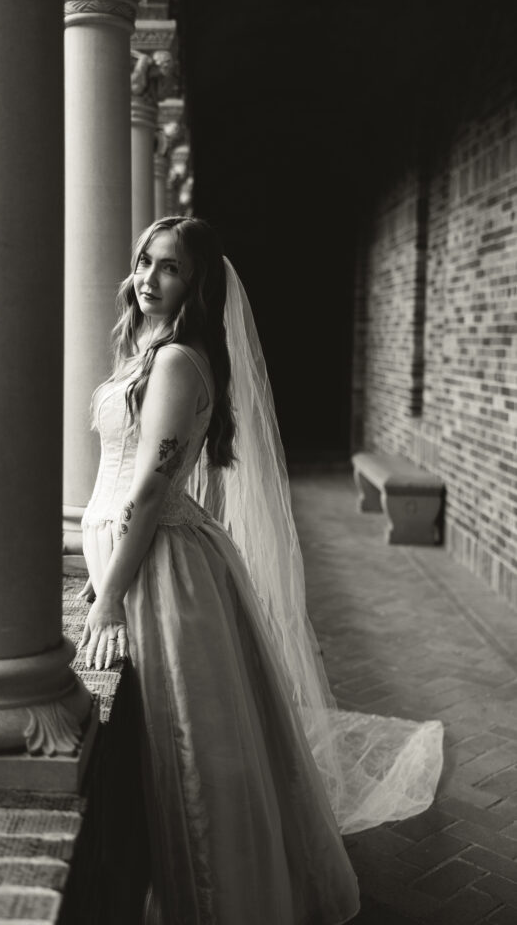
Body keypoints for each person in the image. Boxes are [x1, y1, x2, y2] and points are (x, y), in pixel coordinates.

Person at [80, 216, 442, 925]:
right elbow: (116, 483)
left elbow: (149, 493)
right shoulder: (147, 350)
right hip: (128, 550)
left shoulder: (179, 360)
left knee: (192, 751)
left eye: (170, 268)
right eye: (144, 262)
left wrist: (109, 598)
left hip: (158, 571)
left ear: (197, 284)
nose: (149, 279)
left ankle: (223, 901)